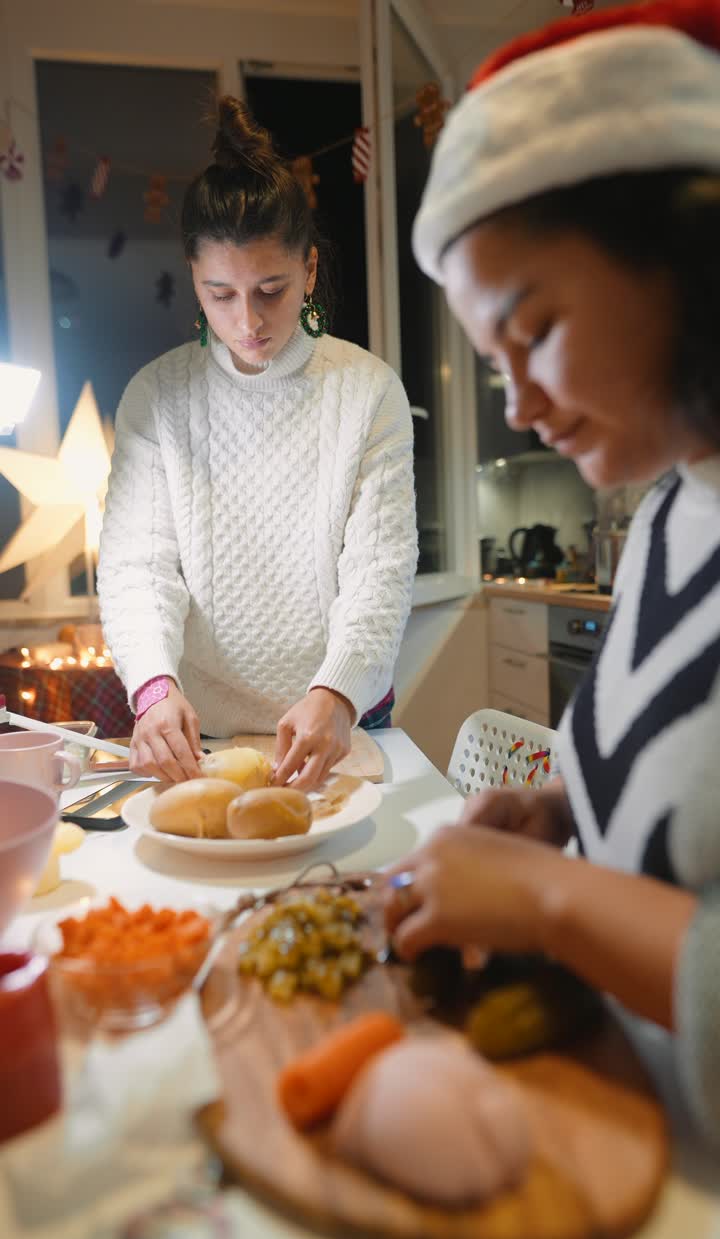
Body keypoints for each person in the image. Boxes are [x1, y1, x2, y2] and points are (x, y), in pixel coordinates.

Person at [385, 0, 720, 1142]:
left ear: (685, 255)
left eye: (533, 331)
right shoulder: (679, 511)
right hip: (621, 1131)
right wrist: (561, 814)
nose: (519, 408)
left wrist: (547, 897)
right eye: (494, 361)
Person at [98, 98, 417, 790]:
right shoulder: (156, 399)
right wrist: (153, 688)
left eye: (270, 290)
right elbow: (137, 569)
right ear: (193, 280)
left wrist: (335, 692)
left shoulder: (366, 391)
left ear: (308, 268)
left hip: (345, 721)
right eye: (221, 294)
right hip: (200, 734)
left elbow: (379, 570)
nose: (248, 321)